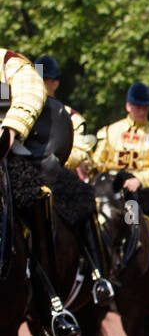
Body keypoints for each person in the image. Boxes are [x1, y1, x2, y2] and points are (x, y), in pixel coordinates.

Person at [0, 48, 80, 336]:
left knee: (39, 198)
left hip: (7, 154)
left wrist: (10, 129)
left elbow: (30, 93)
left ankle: (51, 304)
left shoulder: (9, 63)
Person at [34, 54, 113, 305]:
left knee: (85, 201)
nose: (42, 83)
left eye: (47, 80)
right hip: (24, 171)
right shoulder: (20, 107)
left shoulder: (70, 115)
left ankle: (98, 273)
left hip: (57, 174)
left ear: (55, 83)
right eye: (38, 78)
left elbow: (79, 149)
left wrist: (53, 161)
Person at [92, 82, 149, 220]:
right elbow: (97, 162)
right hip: (110, 187)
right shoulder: (110, 131)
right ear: (128, 106)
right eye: (138, 107)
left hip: (142, 191)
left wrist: (139, 179)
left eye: (146, 108)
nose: (142, 112)